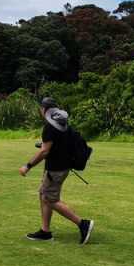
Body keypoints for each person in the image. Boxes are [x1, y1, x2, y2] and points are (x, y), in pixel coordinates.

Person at [19, 97, 94, 244]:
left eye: (41, 108)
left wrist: (27, 166)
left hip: (55, 170)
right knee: (43, 194)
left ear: (44, 109)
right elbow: (59, 142)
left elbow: (44, 152)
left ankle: (83, 224)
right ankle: (45, 232)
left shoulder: (49, 127)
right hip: (61, 167)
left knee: (49, 199)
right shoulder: (62, 123)